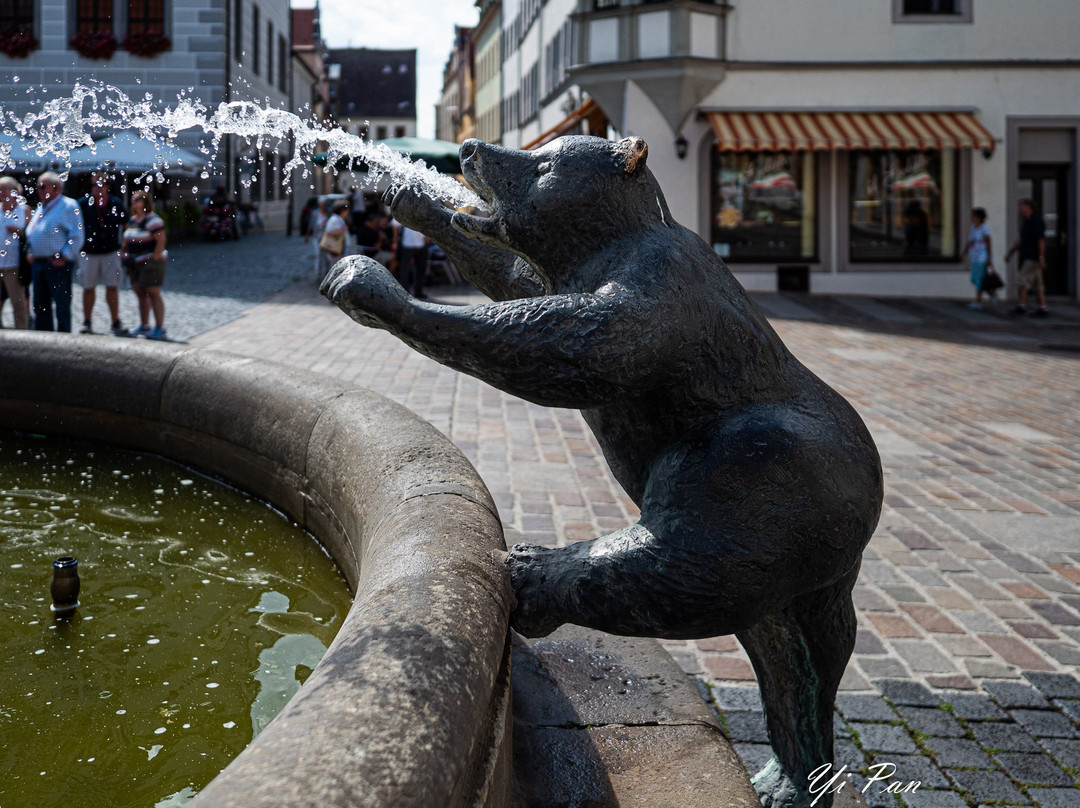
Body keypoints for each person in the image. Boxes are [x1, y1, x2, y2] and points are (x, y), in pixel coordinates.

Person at [25, 171, 84, 332]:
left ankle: (63, 342)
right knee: (40, 305)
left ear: (56, 188)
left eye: (43, 186)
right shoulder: (42, 206)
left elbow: (77, 235)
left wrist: (64, 255)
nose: (39, 190)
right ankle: (45, 342)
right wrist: (30, 250)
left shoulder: (69, 206)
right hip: (39, 262)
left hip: (57, 264)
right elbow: (34, 231)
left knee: (61, 305)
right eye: (37, 186)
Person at [77, 171, 128, 335]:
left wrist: (124, 248)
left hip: (111, 251)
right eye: (93, 185)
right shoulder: (83, 204)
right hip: (88, 252)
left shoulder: (116, 203)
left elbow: (127, 224)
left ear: (107, 186)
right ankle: (87, 321)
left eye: (100, 184)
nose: (97, 188)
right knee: (88, 287)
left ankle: (115, 321)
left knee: (112, 287)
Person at [120, 190, 168, 339]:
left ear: (145, 202)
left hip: (150, 262)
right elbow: (126, 239)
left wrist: (154, 258)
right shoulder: (133, 220)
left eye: (138, 199)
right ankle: (144, 325)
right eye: (133, 200)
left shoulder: (153, 220)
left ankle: (160, 328)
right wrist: (124, 254)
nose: (134, 202)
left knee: (153, 292)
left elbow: (161, 240)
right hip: (134, 262)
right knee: (140, 292)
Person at [1004, 198, 1049, 317]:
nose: (1021, 209)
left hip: (1033, 257)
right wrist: (1010, 253)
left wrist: (1041, 257)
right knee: (1038, 284)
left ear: (1029, 208)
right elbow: (1021, 240)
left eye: (1022, 206)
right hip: (1028, 255)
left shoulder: (1036, 221)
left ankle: (1022, 305)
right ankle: (1043, 307)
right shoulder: (1026, 221)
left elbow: (1041, 240)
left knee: (1022, 280)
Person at [0, 176, 30, 329]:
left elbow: (31, 236)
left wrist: (18, 231)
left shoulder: (23, 210)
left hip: (14, 264)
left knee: (17, 301)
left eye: (5, 190)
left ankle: (22, 331)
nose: (2, 193)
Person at [960, 207, 993, 309]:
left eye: (973, 216)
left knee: (978, 279)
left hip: (982, 257)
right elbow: (969, 241)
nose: (972, 218)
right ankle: (991, 292)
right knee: (974, 278)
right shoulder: (973, 228)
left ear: (979, 217)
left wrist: (989, 258)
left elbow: (988, 244)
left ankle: (978, 301)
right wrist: (964, 252)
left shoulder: (984, 229)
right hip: (974, 256)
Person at [396, 220, 430, 299]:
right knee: (408, 269)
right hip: (409, 244)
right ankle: (408, 291)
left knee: (416, 269)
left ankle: (415, 291)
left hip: (416, 244)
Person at [318, 199, 349, 283]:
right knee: (335, 269)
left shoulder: (337, 218)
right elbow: (330, 231)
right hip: (334, 249)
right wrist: (342, 230)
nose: (347, 212)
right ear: (342, 210)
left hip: (338, 249)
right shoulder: (334, 219)